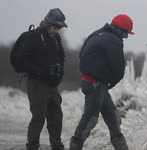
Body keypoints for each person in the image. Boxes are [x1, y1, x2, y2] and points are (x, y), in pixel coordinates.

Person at [69, 14, 134, 150]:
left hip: (91, 82)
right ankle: (75, 146)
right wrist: (114, 81)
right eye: (125, 33)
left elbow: (81, 54)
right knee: (90, 119)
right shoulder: (113, 40)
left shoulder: (97, 34)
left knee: (113, 116)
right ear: (118, 29)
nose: (126, 37)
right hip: (95, 84)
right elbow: (118, 67)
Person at [18, 8, 67, 150]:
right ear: (47, 23)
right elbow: (21, 61)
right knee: (39, 116)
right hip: (36, 83)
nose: (57, 30)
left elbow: (61, 56)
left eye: (59, 28)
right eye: (55, 26)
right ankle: (32, 146)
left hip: (52, 84)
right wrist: (40, 72)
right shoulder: (33, 36)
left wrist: (59, 72)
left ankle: (56, 145)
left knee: (56, 116)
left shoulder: (56, 38)